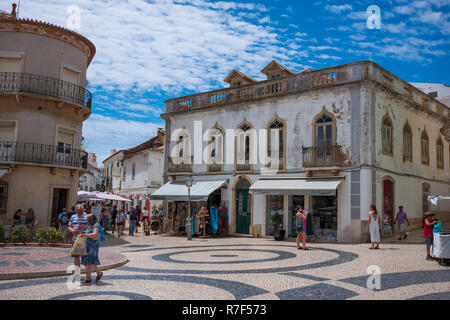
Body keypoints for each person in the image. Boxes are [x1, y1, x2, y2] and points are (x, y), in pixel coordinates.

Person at [79, 214, 103, 284]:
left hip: (93, 247)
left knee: (91, 262)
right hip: (87, 246)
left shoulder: (96, 225)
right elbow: (89, 231)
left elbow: (94, 234)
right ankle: (88, 278)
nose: (87, 221)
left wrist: (85, 235)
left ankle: (99, 272)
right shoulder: (91, 225)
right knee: (87, 262)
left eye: (88, 219)